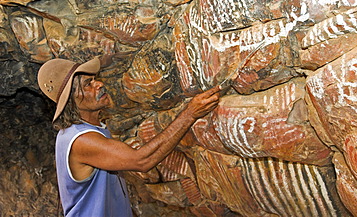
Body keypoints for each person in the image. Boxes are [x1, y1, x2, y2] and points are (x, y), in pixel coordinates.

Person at [37, 56, 221, 217]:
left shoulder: (89, 129)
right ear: (72, 100)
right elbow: (142, 160)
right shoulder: (81, 140)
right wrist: (189, 114)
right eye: (88, 84)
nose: (99, 84)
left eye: (94, 79)